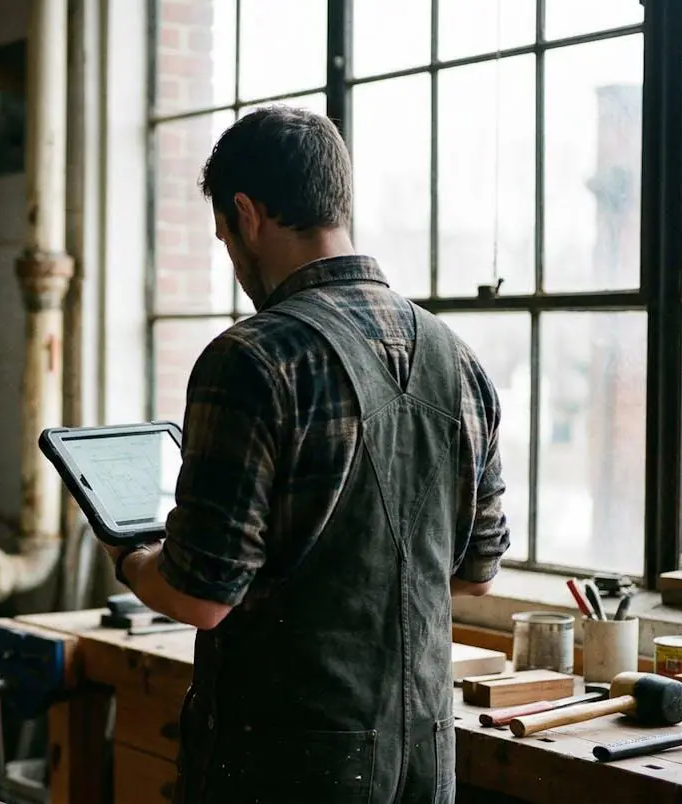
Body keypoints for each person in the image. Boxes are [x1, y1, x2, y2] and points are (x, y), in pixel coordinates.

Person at [101, 105, 511, 803]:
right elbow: (474, 577)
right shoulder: (460, 362)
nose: (231, 258)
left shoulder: (252, 358)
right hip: (423, 760)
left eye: (225, 237)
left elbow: (201, 597)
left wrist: (129, 552)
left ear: (247, 214)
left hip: (285, 768)